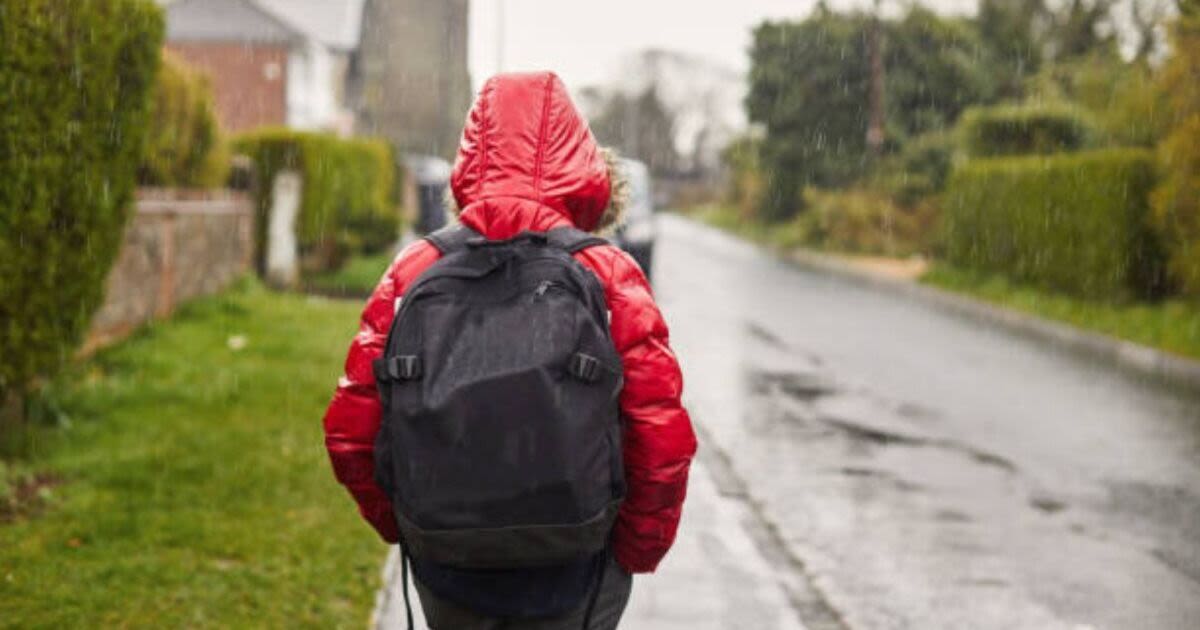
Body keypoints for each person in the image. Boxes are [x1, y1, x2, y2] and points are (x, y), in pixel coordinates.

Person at [322, 71, 697, 629]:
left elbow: (349, 434)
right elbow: (658, 438)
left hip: (449, 564)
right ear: (584, 165)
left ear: (472, 158)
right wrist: (635, 549)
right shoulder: (608, 272)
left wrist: (410, 526)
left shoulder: (415, 269)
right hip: (578, 562)